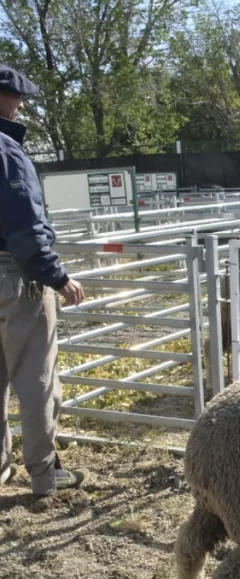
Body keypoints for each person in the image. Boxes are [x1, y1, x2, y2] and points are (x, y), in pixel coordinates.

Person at [0, 64, 87, 496]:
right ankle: (44, 472)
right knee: (36, 378)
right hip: (13, 278)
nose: (19, 106)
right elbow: (26, 226)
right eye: (15, 97)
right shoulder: (7, 151)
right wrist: (56, 275)